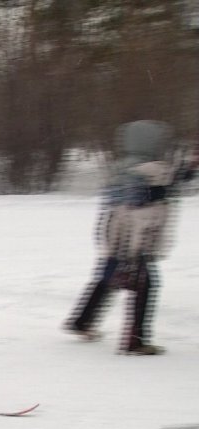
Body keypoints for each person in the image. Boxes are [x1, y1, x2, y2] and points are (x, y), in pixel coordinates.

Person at [65, 120, 197, 354]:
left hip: (116, 237)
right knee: (145, 285)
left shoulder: (119, 168)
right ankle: (135, 341)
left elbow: (130, 198)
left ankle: (82, 322)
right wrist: (189, 168)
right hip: (138, 239)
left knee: (108, 279)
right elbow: (173, 182)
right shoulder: (154, 169)